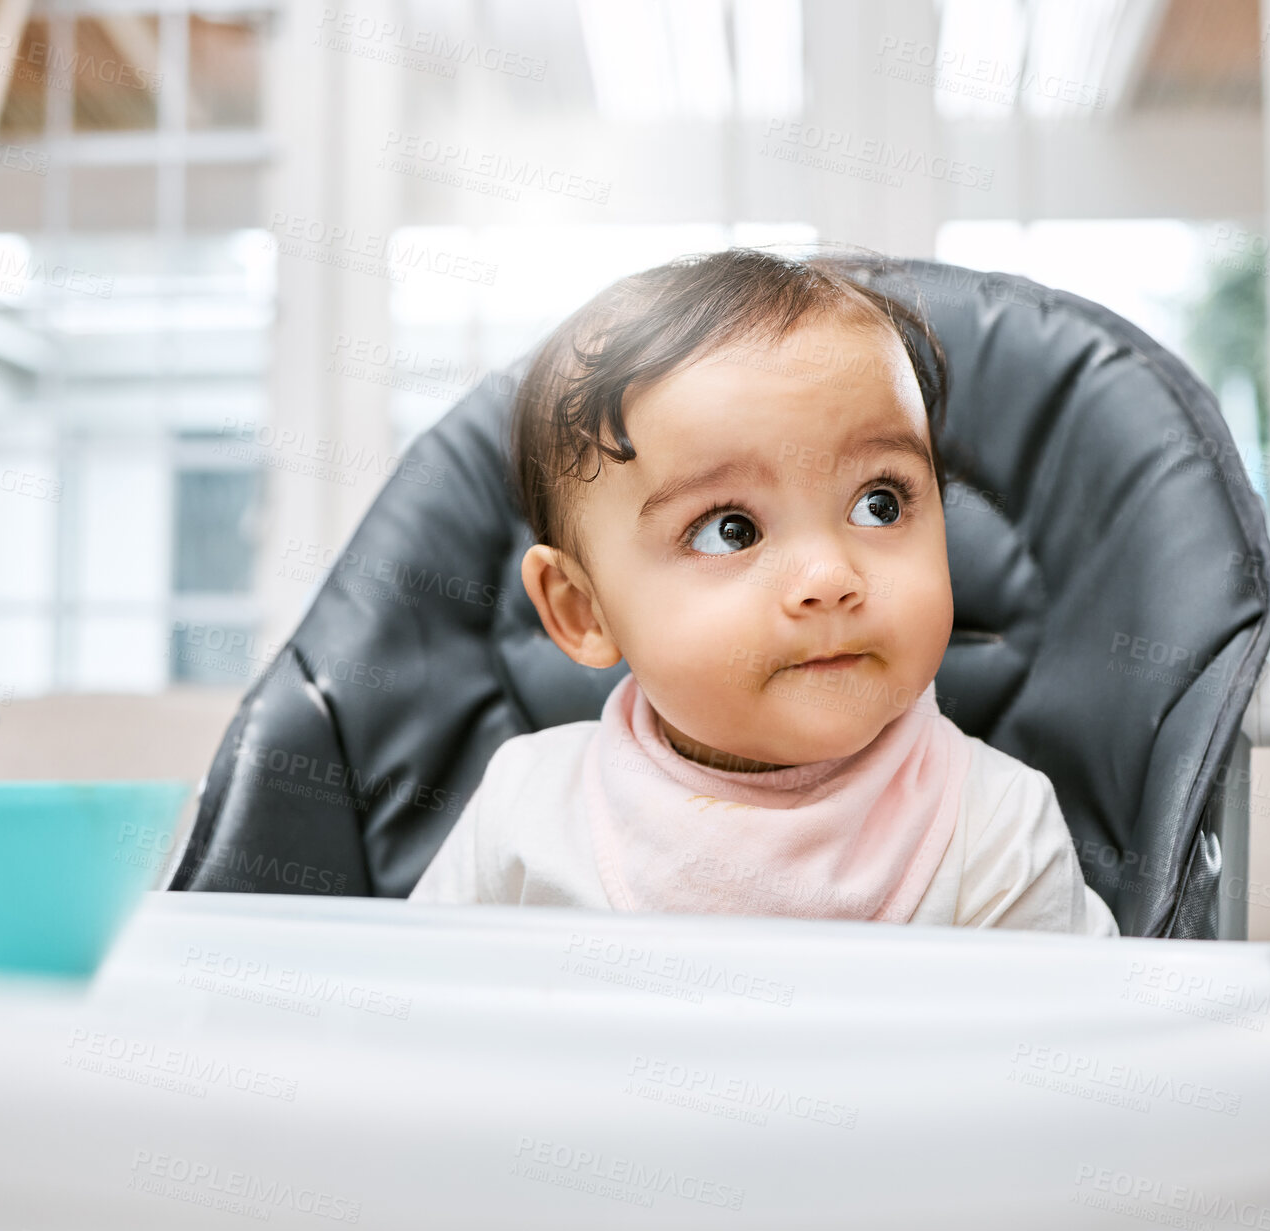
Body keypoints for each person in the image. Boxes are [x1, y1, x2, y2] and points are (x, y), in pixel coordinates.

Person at [410, 246, 1118, 936]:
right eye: (729, 530)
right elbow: (414, 1027)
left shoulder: (996, 833)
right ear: (581, 610)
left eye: (880, 502)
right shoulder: (526, 812)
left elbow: (1052, 1049)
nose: (830, 580)